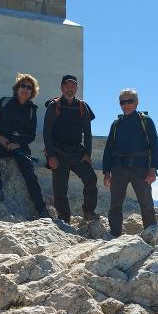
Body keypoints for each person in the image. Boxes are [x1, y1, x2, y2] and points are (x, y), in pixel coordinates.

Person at [0, 73, 48, 217]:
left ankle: (41, 209)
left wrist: (18, 144)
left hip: (20, 145)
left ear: (32, 92)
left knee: (30, 173)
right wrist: (0, 137)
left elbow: (31, 134)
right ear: (17, 87)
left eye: (29, 87)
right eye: (23, 86)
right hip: (2, 141)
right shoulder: (4, 102)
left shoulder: (32, 109)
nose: (25, 89)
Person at [103, 88, 158, 237]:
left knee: (146, 204)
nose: (126, 105)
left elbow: (155, 147)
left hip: (141, 169)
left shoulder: (146, 121)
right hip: (118, 169)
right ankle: (114, 235)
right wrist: (106, 172)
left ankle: (150, 235)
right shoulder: (116, 124)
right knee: (115, 205)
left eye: (130, 101)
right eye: (123, 102)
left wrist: (153, 170)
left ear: (137, 103)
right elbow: (108, 149)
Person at [43, 74, 98, 223]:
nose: (69, 89)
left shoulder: (82, 107)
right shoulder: (54, 106)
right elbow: (46, 132)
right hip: (58, 152)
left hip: (77, 152)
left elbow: (87, 132)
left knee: (91, 178)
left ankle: (89, 211)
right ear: (61, 88)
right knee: (60, 189)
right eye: (66, 86)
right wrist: (51, 156)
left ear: (76, 88)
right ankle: (64, 219)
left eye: (72, 86)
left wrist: (87, 154)